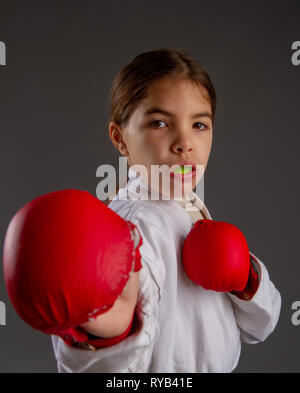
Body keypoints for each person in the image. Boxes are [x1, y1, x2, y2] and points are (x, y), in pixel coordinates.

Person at [50, 47, 281, 373]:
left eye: (199, 124)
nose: (184, 142)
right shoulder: (131, 227)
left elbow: (258, 327)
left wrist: (245, 279)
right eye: (160, 122)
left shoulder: (185, 205)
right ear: (120, 138)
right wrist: (103, 330)